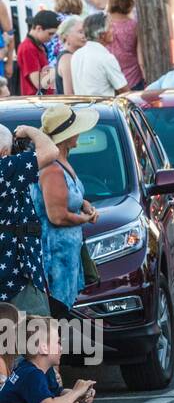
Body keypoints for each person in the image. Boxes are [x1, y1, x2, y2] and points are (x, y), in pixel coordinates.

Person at [31, 105, 100, 313]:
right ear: (66, 136)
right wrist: (86, 219)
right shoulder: (52, 169)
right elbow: (58, 217)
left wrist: (84, 204)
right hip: (55, 259)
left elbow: (70, 195)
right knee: (56, 315)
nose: (79, 133)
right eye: (76, 129)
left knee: (62, 315)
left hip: (66, 257)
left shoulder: (62, 163)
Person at [0, 125, 60, 315]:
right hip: (17, 273)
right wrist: (28, 131)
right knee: (37, 335)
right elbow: (51, 151)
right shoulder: (5, 169)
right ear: (3, 152)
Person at [70, 13, 128, 97]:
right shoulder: (105, 58)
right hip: (103, 108)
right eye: (111, 27)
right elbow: (124, 91)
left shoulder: (77, 55)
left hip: (82, 108)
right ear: (102, 35)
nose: (113, 30)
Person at [105, 0, 145, 90]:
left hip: (108, 77)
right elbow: (140, 57)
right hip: (132, 76)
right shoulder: (135, 25)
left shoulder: (104, 23)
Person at [17, 12, 59, 96]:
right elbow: (39, 83)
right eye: (50, 33)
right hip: (36, 103)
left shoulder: (38, 45)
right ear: (38, 28)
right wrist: (57, 69)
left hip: (43, 100)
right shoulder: (28, 48)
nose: (52, 37)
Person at [54, 17, 84, 95]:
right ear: (66, 36)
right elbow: (70, 95)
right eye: (80, 32)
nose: (84, 36)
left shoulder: (72, 56)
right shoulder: (67, 58)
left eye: (86, 32)